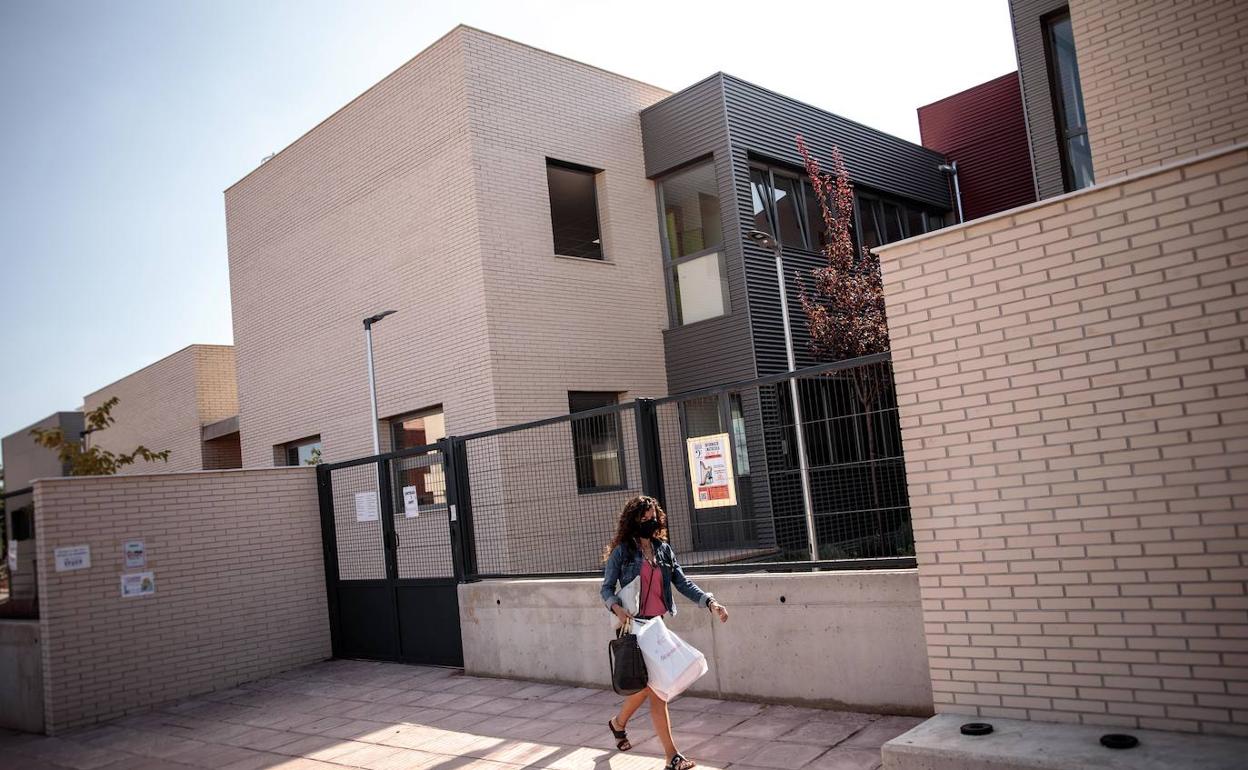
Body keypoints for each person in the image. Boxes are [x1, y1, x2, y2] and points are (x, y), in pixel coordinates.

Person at [600, 495, 729, 770]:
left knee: (650, 686)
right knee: (658, 691)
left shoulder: (663, 550)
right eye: (644, 517)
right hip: (635, 627)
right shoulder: (623, 551)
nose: (650, 521)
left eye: (653, 516)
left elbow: (682, 582)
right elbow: (606, 588)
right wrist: (616, 608)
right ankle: (672, 757)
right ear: (634, 521)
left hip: (656, 626)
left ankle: (618, 723)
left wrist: (710, 602)